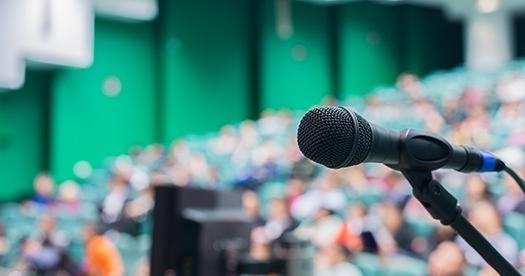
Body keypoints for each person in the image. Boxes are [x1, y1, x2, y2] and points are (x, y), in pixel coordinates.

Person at [456, 201, 518, 269]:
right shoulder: (466, 236)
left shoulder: (506, 243)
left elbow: (504, 269)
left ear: (495, 214)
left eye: (482, 211)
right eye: (475, 211)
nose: (476, 214)